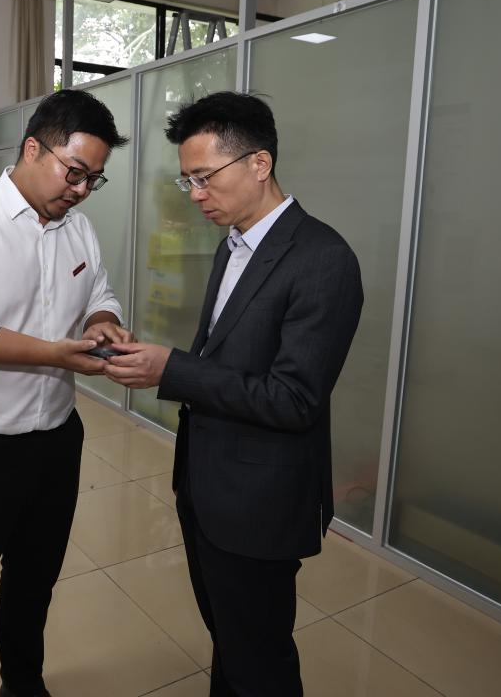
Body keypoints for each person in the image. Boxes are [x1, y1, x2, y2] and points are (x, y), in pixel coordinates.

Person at [105, 91, 363, 696]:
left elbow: (294, 399)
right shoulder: (235, 244)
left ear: (259, 163)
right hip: (209, 485)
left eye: (204, 177)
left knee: (260, 661)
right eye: (187, 180)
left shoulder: (323, 258)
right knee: (230, 641)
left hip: (259, 502)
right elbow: (229, 359)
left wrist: (172, 369)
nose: (195, 195)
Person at [0, 89, 132, 697]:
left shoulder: (78, 229)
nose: (81, 190)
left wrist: (102, 323)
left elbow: (100, 293)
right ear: (33, 148)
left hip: (56, 439)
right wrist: (55, 353)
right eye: (74, 173)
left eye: (94, 180)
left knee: (34, 583)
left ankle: (23, 685)